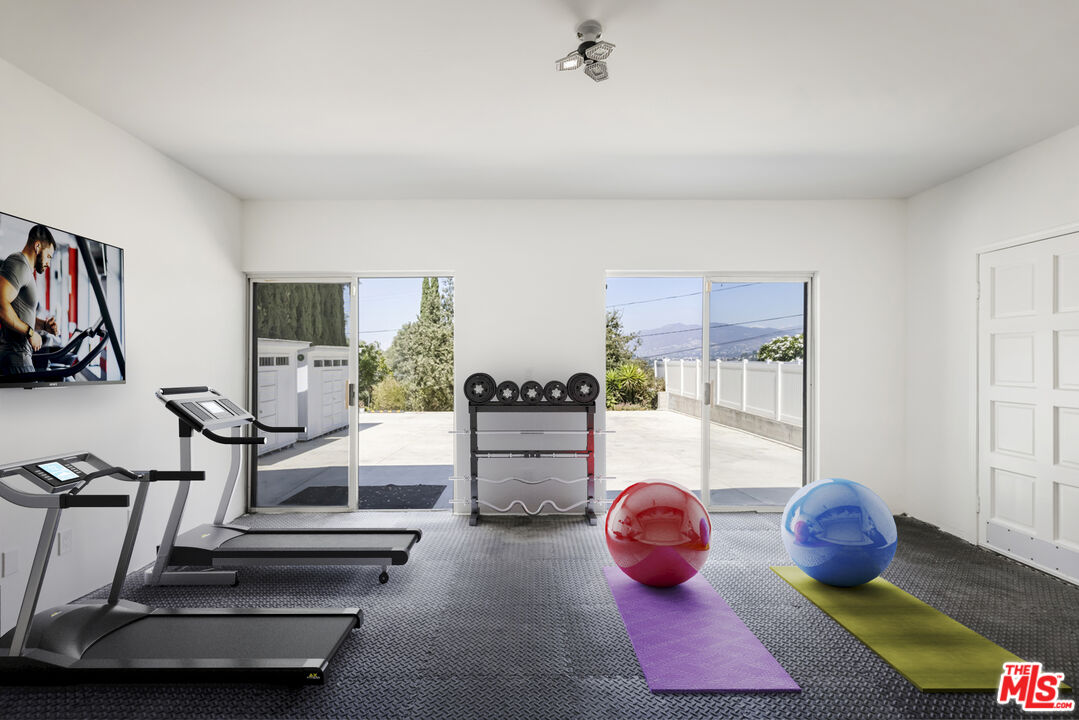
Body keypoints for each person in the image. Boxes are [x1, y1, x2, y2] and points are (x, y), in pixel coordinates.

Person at [0, 224, 58, 376]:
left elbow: (20, 313)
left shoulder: (25, 269)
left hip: (20, 358)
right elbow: (1, 305)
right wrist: (31, 332)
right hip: (15, 360)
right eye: (49, 256)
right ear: (38, 246)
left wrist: (43, 325)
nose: (48, 263)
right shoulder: (18, 263)